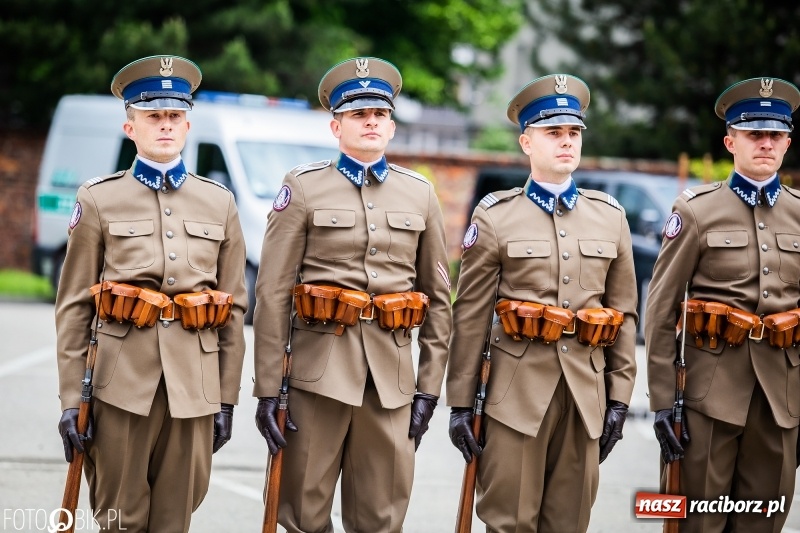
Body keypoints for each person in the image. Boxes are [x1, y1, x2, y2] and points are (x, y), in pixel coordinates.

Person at [252, 56, 452, 533]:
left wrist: (428, 388)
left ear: (392, 127)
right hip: (315, 379)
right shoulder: (302, 188)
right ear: (335, 125)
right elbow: (273, 292)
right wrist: (267, 389)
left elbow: (440, 300)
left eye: (379, 115)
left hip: (391, 384)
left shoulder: (420, 194)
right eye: (359, 115)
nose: (371, 123)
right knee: (302, 514)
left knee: (381, 518)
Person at [55, 55, 247, 532]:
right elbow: (75, 306)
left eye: (174, 117)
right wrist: (69, 401)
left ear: (187, 125)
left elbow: (233, 306)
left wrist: (225, 398)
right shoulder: (98, 198)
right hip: (120, 387)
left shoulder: (219, 202)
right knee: (120, 517)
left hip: (194, 389)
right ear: (130, 127)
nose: (165, 126)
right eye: (153, 116)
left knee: (174, 518)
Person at [446, 74, 638, 532]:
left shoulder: (610, 218)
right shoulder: (495, 217)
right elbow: (470, 316)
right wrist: (460, 403)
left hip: (585, 398)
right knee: (509, 521)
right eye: (553, 133)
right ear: (526, 142)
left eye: (573, 133)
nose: (566, 142)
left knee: (569, 522)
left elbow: (625, 315)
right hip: (515, 397)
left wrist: (619, 398)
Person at [646, 77, 800, 532]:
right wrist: (661, 401)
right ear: (731, 141)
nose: (766, 144)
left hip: (782, 398)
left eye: (775, 135)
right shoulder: (697, 210)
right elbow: (660, 310)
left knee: (762, 523)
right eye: (755, 134)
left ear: (788, 142)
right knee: (697, 521)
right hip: (708, 395)